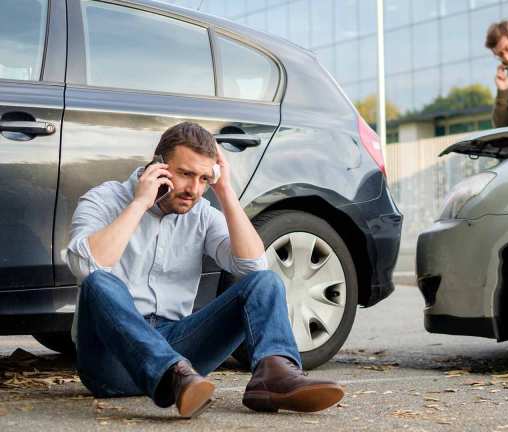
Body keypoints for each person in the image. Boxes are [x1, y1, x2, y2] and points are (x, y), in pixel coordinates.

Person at [66, 122, 344, 418]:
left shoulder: (202, 214)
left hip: (182, 357)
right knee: (99, 281)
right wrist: (139, 203)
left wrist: (224, 191)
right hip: (113, 360)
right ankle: (170, 374)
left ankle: (273, 377)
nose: (194, 189)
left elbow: (252, 266)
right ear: (157, 165)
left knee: (265, 281)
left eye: (203, 178)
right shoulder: (105, 199)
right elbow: (86, 265)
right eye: (186, 174)